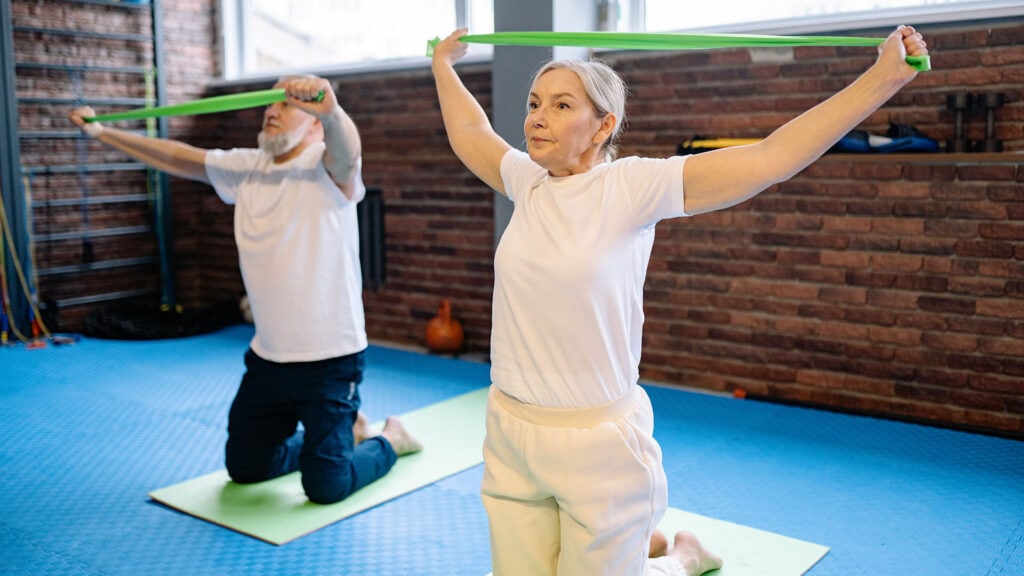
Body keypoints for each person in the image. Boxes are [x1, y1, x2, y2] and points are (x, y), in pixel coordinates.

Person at [432, 25, 927, 576]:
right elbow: (471, 130)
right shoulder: (527, 182)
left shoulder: (628, 188)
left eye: (561, 104)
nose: (537, 118)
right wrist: (443, 64)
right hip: (510, 431)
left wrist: (884, 78)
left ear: (603, 127)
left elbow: (770, 158)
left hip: (595, 446)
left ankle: (682, 557)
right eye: (534, 103)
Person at [69, 75, 422, 505]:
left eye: (286, 105)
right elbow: (178, 156)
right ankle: (340, 436)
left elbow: (348, 153)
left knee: (325, 487)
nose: (272, 111)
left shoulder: (326, 168)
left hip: (331, 363)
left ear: (313, 126)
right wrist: (103, 132)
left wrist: (330, 112)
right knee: (248, 467)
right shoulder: (247, 167)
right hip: (269, 361)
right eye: (269, 104)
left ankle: (389, 439)